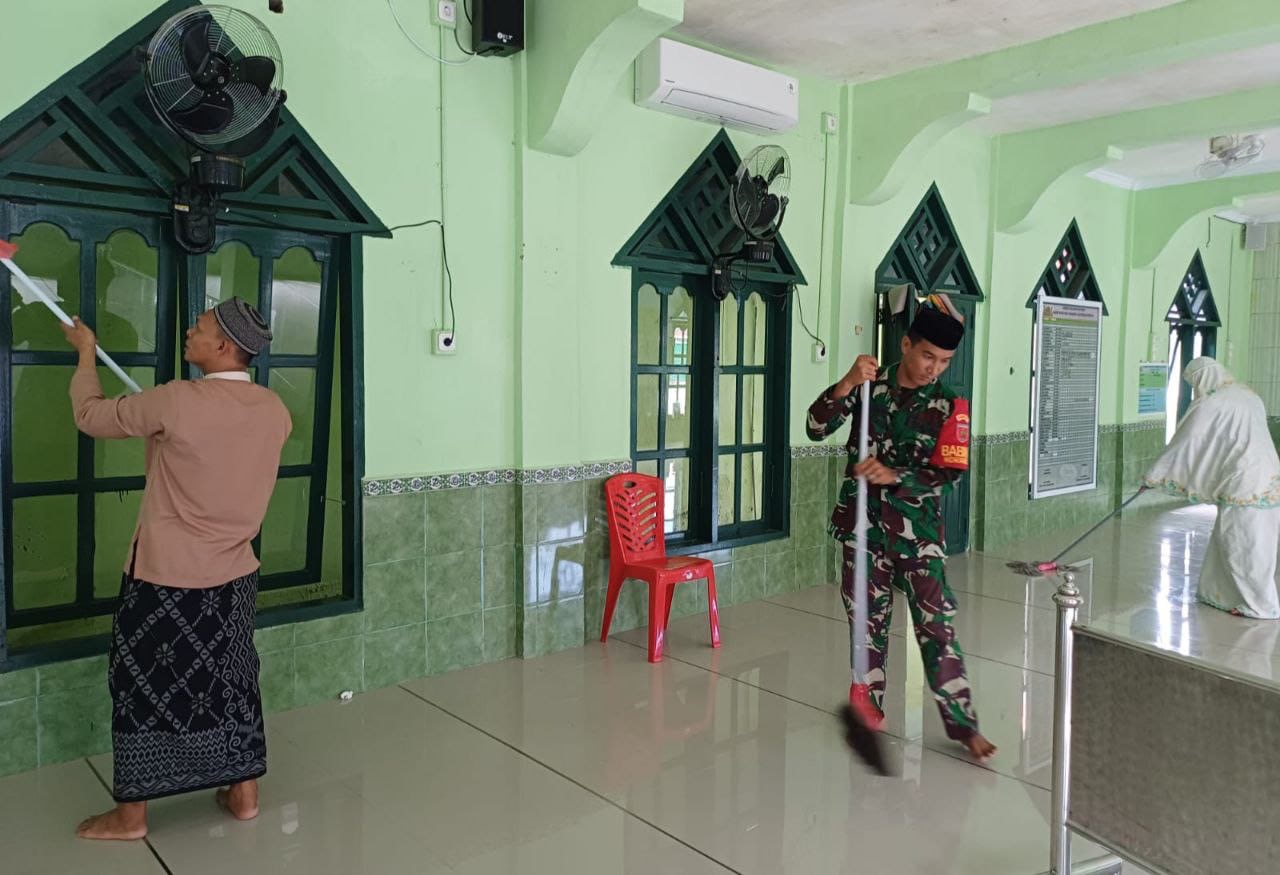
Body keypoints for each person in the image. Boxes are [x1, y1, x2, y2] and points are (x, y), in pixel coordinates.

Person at [61, 297, 291, 840]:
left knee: (141, 683)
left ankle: (132, 815)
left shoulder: (176, 401)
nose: (191, 331)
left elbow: (91, 416)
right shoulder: (274, 410)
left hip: (166, 578)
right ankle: (243, 792)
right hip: (234, 576)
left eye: (202, 327)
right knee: (232, 678)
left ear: (225, 346)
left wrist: (86, 356)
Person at [807, 305, 996, 762]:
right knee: (865, 628)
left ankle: (963, 724)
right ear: (906, 344)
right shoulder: (870, 386)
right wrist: (848, 383)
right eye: (928, 355)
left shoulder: (950, 405)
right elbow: (815, 427)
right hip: (863, 529)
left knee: (936, 626)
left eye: (945, 361)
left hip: (919, 535)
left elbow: (950, 473)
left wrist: (896, 476)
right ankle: (869, 712)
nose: (935, 368)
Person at [1143, 357, 1280, 619]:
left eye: (1193, 382)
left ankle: (1261, 604)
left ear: (1201, 377)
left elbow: (1186, 440)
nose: (1195, 388)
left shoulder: (1211, 401)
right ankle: (1217, 593)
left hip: (1244, 480)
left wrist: (1154, 474)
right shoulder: (1248, 394)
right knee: (1241, 537)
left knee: (1242, 541)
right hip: (1269, 474)